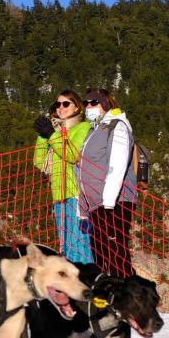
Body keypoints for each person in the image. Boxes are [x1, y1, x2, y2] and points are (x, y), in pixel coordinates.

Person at [76, 87, 140, 277]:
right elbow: (83, 173)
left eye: (93, 102)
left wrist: (109, 203)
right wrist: (83, 210)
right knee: (101, 255)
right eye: (85, 103)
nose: (88, 106)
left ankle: (128, 295)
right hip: (96, 205)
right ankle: (109, 298)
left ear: (104, 104)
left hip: (114, 203)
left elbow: (117, 166)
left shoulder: (116, 126)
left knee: (116, 255)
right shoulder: (94, 131)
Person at [33, 91, 94, 262]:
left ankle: (86, 282)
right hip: (59, 195)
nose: (60, 108)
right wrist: (43, 136)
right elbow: (39, 162)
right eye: (57, 105)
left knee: (79, 245)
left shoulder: (83, 127)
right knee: (65, 247)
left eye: (66, 104)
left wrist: (52, 135)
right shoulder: (57, 131)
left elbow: (73, 155)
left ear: (77, 107)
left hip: (76, 194)